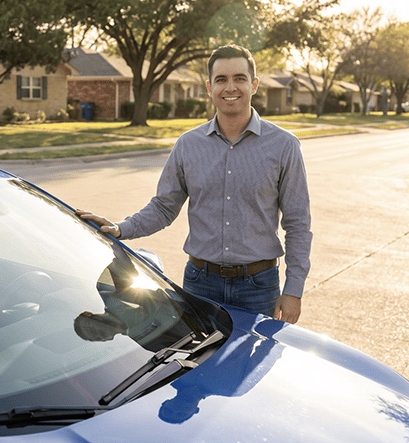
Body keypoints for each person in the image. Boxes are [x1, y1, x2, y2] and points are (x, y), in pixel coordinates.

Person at [77, 44, 312, 324]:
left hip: (259, 288)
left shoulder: (284, 146)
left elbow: (298, 224)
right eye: (221, 80)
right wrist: (120, 228)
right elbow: (163, 208)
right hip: (201, 285)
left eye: (239, 78)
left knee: (251, 354)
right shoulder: (188, 145)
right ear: (209, 87)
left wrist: (294, 290)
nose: (230, 87)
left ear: (254, 85)